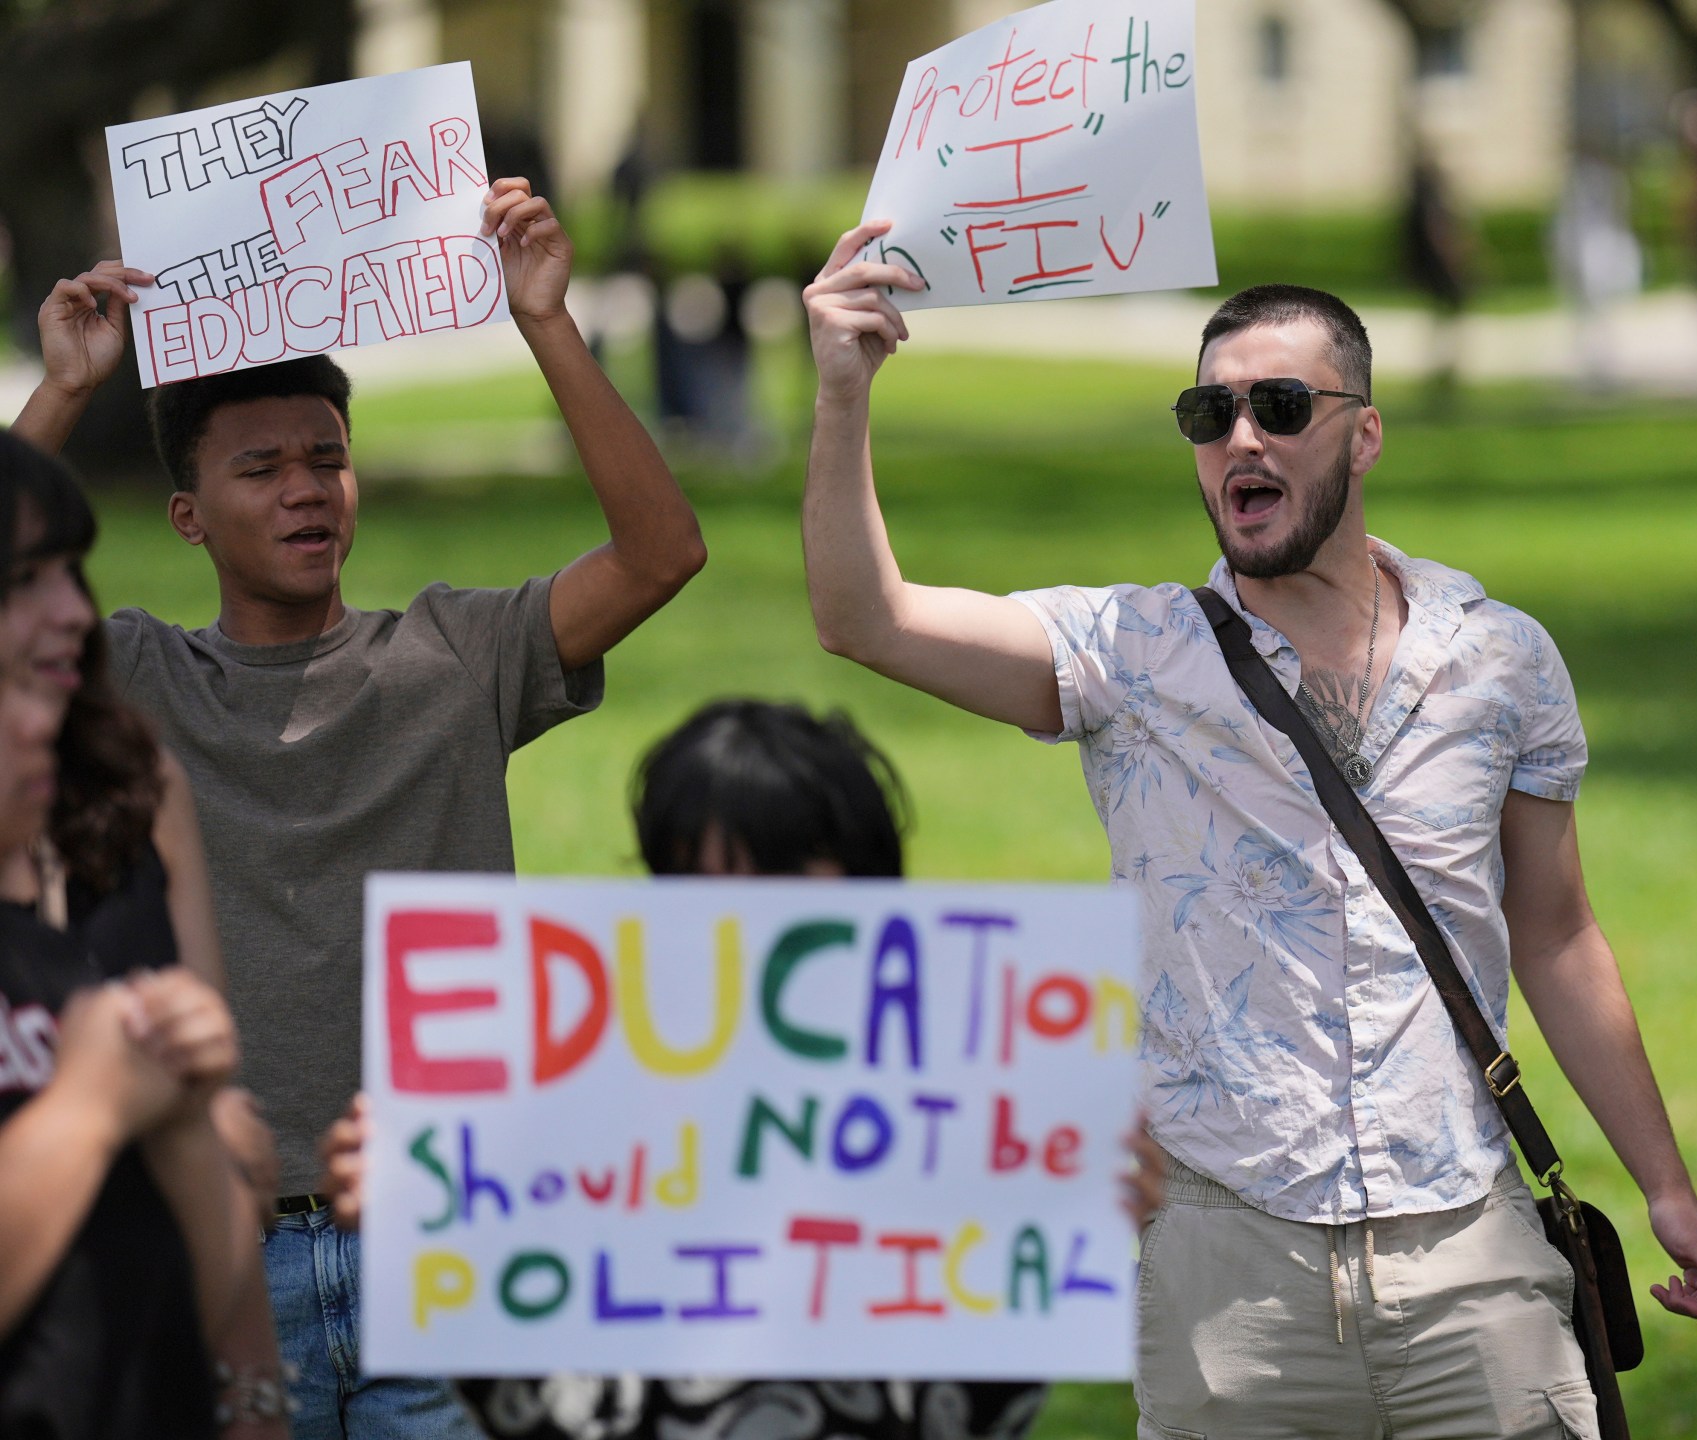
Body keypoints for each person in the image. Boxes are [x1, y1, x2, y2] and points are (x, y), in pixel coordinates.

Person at [800, 229, 1697, 1438]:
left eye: (1280, 406)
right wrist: (843, 394)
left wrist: (1663, 1184)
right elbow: (862, 618)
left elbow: (1558, 936)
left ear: (1363, 433)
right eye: (1210, 411)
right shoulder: (1130, 657)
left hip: (1466, 1243)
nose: (1241, 437)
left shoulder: (1500, 658)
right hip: (1226, 1270)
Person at [14, 177, 708, 1439]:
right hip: (221, 1245)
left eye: (327, 460)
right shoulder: (137, 681)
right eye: (262, 467)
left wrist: (547, 321)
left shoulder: (456, 654)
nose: (305, 489)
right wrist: (63, 389)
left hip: (441, 1233)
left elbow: (662, 552)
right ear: (186, 516)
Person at [319, 698, 1164, 1439]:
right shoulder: (601, 1142)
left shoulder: (956, 1133)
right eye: (701, 883)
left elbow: (976, 1413)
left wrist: (1069, 1220)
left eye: (784, 878)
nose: (743, 920)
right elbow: (550, 1414)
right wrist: (428, 1231)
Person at [0, 432, 273, 1437]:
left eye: (71, 571)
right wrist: (93, 1104)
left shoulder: (132, 785)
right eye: (24, 580)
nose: (74, 609)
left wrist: (255, 1401)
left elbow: (219, 1149)